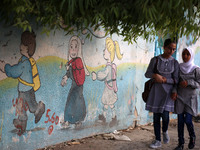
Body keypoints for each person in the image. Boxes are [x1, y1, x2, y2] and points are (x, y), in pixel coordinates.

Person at [0, 31, 45, 135]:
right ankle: (22, 125)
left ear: (27, 48)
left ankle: (39, 108)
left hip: (27, 91)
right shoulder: (25, 60)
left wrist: (4, 67)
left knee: (32, 107)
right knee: (21, 108)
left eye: (23, 45)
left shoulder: (25, 63)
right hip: (23, 90)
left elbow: (14, 71)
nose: (20, 46)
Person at [144, 38, 179, 149]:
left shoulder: (175, 63)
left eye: (173, 49)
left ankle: (165, 131)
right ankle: (158, 140)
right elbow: (147, 74)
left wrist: (166, 81)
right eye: (169, 48)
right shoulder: (155, 60)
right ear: (164, 47)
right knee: (156, 117)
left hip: (168, 93)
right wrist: (155, 76)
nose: (171, 51)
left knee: (165, 116)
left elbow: (176, 80)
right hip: (156, 92)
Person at [92, 37, 123, 127]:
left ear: (110, 53)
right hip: (109, 87)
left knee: (110, 103)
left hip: (109, 88)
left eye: (105, 49)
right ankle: (105, 117)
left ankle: (113, 117)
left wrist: (96, 76)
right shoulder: (112, 66)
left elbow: (104, 74)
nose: (103, 51)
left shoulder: (109, 67)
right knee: (106, 103)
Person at [174, 47, 200, 150]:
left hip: (191, 99)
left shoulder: (196, 69)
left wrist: (188, 82)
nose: (185, 56)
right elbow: (175, 82)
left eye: (187, 54)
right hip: (180, 98)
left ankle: (192, 136)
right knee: (180, 122)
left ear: (191, 55)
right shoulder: (179, 68)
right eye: (183, 54)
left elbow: (199, 83)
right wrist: (174, 92)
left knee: (188, 120)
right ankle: (180, 144)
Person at [61, 35, 89, 128]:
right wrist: (65, 78)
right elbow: (69, 73)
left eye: (75, 47)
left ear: (79, 50)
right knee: (71, 101)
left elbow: (76, 73)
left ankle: (78, 120)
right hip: (74, 85)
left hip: (78, 86)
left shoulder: (78, 61)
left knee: (78, 102)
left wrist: (69, 71)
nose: (73, 50)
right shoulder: (71, 62)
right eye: (71, 47)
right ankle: (68, 120)